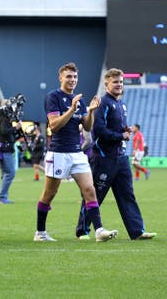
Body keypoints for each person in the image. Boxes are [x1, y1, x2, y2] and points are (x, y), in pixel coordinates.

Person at [34, 62, 118, 242]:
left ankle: (99, 231)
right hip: (58, 153)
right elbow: (54, 126)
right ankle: (40, 233)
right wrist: (71, 109)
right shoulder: (53, 97)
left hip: (77, 153)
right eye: (69, 76)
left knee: (90, 189)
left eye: (75, 77)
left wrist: (91, 112)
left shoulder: (79, 100)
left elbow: (87, 126)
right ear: (61, 78)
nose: (72, 80)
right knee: (50, 194)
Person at [75, 69, 156, 240]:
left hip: (121, 158)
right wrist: (121, 135)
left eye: (121, 82)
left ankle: (137, 232)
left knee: (128, 195)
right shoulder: (103, 103)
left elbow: (116, 129)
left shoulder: (122, 104)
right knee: (95, 195)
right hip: (104, 158)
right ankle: (83, 230)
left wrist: (123, 130)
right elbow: (98, 130)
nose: (119, 85)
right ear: (107, 84)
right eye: (115, 82)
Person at [0, 104, 21, 203]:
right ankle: (2, 197)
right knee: (10, 173)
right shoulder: (4, 119)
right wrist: (15, 128)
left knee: (5, 173)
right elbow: (4, 131)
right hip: (5, 149)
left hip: (0, 148)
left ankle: (3, 196)